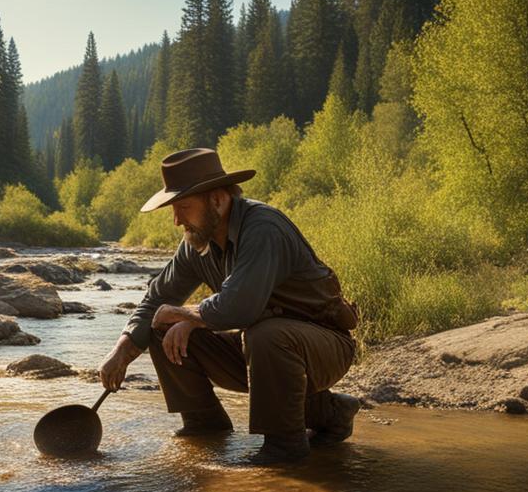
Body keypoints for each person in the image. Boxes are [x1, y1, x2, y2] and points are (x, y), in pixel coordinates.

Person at [98, 147, 361, 464]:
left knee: (266, 335)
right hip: (265, 353)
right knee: (160, 326)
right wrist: (122, 350)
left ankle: (284, 447)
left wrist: (188, 315)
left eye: (183, 206)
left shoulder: (263, 228)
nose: (176, 219)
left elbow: (239, 308)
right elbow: (157, 298)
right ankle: (206, 425)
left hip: (325, 347)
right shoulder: (196, 241)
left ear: (218, 200)